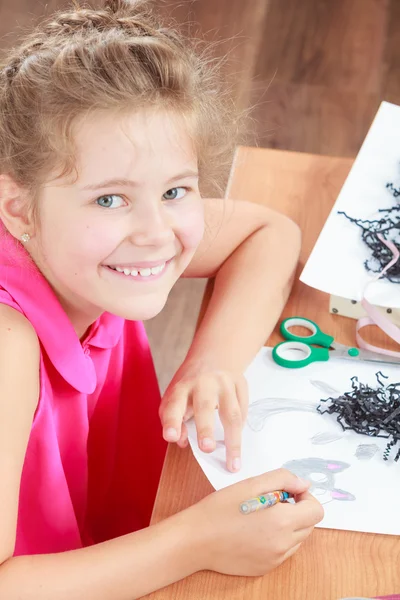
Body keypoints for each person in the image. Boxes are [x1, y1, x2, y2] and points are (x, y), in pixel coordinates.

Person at [0, 0, 323, 596]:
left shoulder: (93, 253)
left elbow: (269, 233)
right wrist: (196, 541)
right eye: (109, 199)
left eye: (176, 189)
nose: (156, 232)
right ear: (19, 210)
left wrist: (211, 363)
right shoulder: (7, 343)